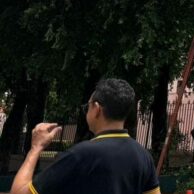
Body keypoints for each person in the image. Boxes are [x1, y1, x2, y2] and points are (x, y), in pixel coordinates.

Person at [11, 79, 160, 194]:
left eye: (87, 106)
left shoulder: (80, 155)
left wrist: (36, 148)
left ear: (96, 109)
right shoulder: (143, 156)